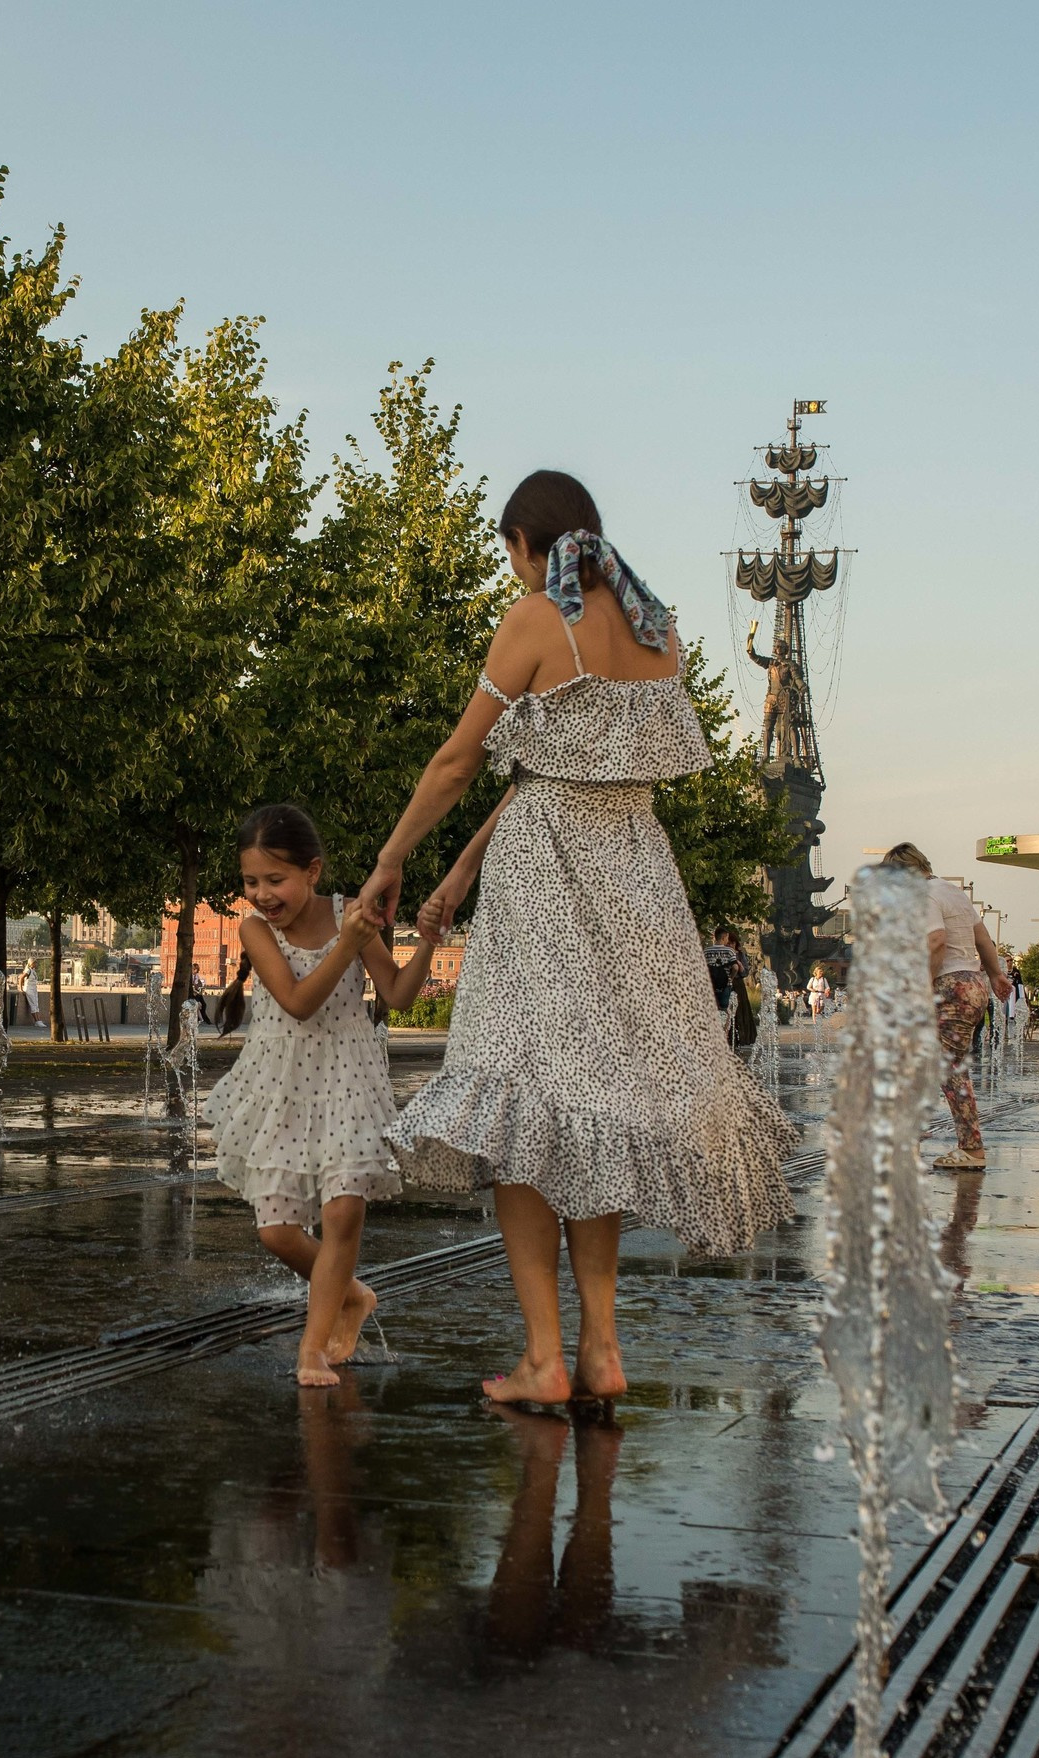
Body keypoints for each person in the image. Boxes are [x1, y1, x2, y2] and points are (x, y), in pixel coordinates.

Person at [354, 472, 796, 1407]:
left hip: (547, 878)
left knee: (519, 1107)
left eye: (508, 551)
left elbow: (459, 760)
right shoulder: (655, 628)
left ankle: (545, 1357)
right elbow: (574, 767)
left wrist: (395, 857)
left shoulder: (530, 621)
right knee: (592, 1112)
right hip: (637, 871)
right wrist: (464, 866)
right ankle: (602, 1349)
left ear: (524, 541)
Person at [206, 804, 438, 1388]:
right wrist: (348, 943)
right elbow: (298, 1002)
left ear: (313, 872)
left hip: (347, 1079)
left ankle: (312, 1351)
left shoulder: (349, 914)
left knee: (343, 1212)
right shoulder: (255, 931)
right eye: (251, 881)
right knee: (277, 1232)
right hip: (282, 1085)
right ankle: (354, 1296)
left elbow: (398, 994)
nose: (262, 894)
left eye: (275, 880)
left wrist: (428, 942)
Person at [883, 845, 1014, 1172]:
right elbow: (983, 937)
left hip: (949, 986)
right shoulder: (952, 892)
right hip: (972, 983)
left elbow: (937, 940)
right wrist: (996, 974)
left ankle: (969, 1148)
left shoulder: (924, 896)